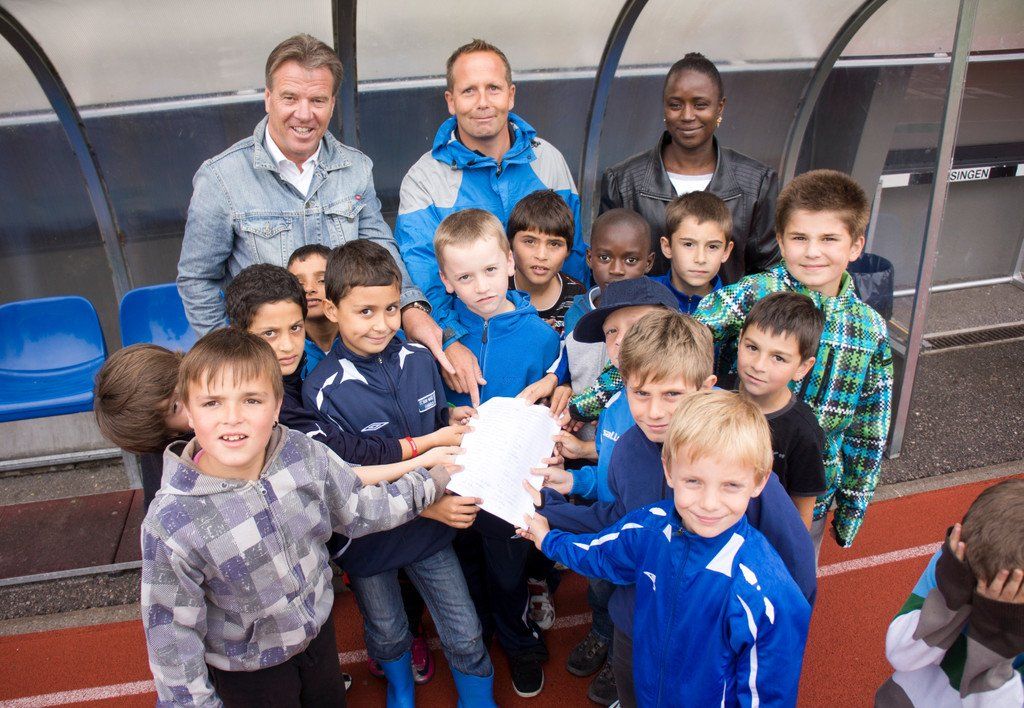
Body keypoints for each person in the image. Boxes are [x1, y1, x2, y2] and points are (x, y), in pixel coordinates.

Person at [140, 328, 452, 706]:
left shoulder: (302, 453)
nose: (232, 418)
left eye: (251, 400)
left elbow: (359, 507)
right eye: (212, 403)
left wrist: (433, 481)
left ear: (276, 407)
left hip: (317, 639)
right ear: (188, 411)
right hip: (250, 672)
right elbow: (171, 636)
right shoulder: (171, 521)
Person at [531, 310, 816, 707]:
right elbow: (618, 520)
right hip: (637, 625)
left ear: (706, 387)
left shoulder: (737, 459)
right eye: (641, 394)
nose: (654, 412)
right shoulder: (628, 448)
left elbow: (795, 562)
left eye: (672, 395)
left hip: (710, 637)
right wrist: (548, 509)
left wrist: (771, 635)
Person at [299, 240, 494, 706]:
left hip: (429, 534)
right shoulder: (321, 390)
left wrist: (450, 417)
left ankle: (477, 698)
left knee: (464, 628)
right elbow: (350, 476)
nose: (382, 324)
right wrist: (430, 504)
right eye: (364, 311)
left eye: (390, 309)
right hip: (371, 538)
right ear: (332, 309)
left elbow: (430, 419)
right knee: (387, 630)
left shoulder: (420, 360)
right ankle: (401, 690)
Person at [176, 34, 445, 368]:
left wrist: (410, 307)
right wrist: (235, 357)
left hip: (350, 353)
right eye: (290, 97)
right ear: (268, 98)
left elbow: (380, 248)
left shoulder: (356, 168)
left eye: (317, 100)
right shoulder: (221, 178)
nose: (303, 114)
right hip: (274, 366)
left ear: (332, 104)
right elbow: (197, 279)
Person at [695, 169, 894, 552]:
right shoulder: (753, 293)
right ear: (782, 242)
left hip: (807, 498)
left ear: (855, 246)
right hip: (724, 481)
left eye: (829, 239)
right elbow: (680, 341)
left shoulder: (869, 329)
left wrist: (852, 507)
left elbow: (870, 425)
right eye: (800, 238)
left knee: (791, 572)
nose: (813, 251)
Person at [395, 38, 587, 407]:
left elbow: (573, 254)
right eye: (469, 91)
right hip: (466, 338)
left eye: (493, 88)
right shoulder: (424, 178)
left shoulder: (548, 160)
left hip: (543, 343)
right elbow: (423, 273)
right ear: (451, 101)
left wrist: (567, 362)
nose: (483, 102)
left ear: (511, 95)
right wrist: (450, 339)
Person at [433, 208, 561, 697]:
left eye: (490, 270)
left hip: (510, 489)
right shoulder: (441, 338)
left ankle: (520, 641)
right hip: (457, 482)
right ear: (446, 281)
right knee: (464, 567)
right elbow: (430, 402)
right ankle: (478, 635)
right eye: (465, 277)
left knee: (508, 574)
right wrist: (448, 414)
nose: (482, 286)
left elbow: (549, 408)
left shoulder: (541, 337)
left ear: (510, 263)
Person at [541, 278, 678, 705]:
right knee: (602, 593)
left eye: (633, 327)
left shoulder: (673, 419)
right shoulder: (619, 402)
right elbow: (611, 477)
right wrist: (572, 482)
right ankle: (604, 635)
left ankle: (624, 660)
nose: (619, 341)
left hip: (655, 566)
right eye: (610, 332)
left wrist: (549, 520)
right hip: (611, 534)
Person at [224, 263, 455, 467]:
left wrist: (446, 416)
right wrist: (427, 446)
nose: (287, 346)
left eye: (295, 328)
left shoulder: (298, 372)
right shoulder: (263, 400)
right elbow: (344, 456)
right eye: (270, 333)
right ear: (237, 333)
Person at [601, 52, 779, 279]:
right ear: (664, 107)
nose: (687, 115)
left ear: (720, 107)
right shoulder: (623, 181)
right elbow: (608, 267)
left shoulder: (757, 182)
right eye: (675, 105)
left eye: (700, 105)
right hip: (643, 304)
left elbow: (767, 271)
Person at [877, 479, 1024, 707]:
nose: (980, 594)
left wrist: (994, 639)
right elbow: (901, 655)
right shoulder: (958, 564)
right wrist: (949, 599)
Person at [736, 292, 827, 531]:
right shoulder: (716, 394)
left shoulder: (804, 433)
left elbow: (801, 516)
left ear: (803, 367)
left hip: (766, 542)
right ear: (740, 340)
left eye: (778, 357)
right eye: (752, 347)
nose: (758, 365)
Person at [93, 344, 191, 508]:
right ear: (171, 435)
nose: (192, 394)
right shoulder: (184, 466)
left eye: (186, 378)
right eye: (175, 406)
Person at [507, 189, 586, 336]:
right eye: (530, 241)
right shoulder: (498, 291)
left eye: (554, 244)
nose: (541, 255)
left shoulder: (577, 297)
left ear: (568, 251)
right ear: (510, 244)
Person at [651, 190, 732, 314]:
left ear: (726, 251)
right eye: (688, 244)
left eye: (712, 247)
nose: (700, 259)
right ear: (667, 247)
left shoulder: (734, 305)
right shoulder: (645, 295)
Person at [286, 244, 336, 374]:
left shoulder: (362, 339)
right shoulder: (285, 352)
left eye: (322, 280)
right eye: (299, 283)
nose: (309, 289)